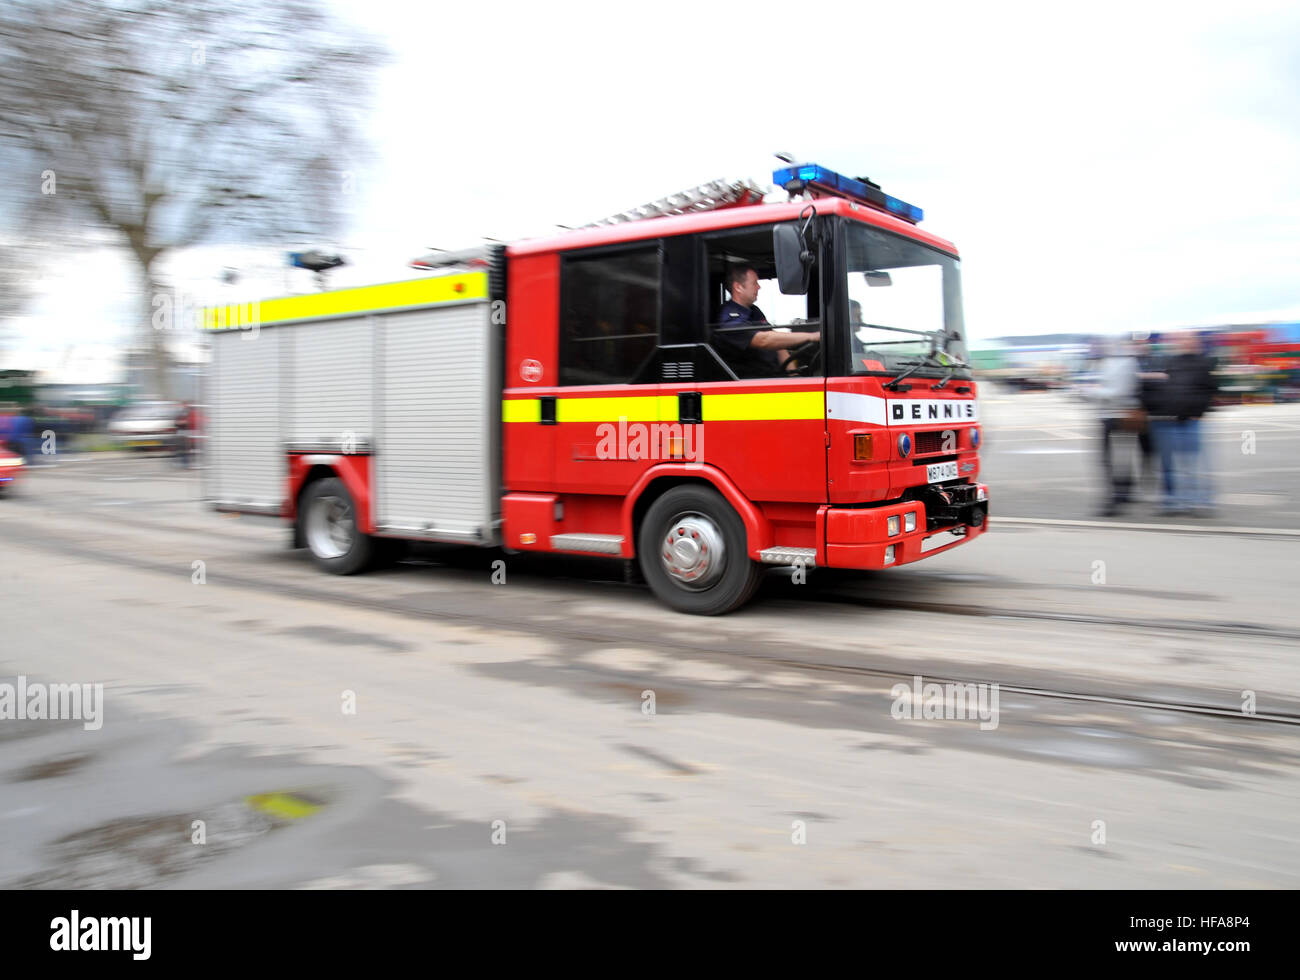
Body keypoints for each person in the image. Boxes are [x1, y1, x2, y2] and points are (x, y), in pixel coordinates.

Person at [1149, 331, 1217, 516]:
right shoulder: (1173, 362)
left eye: (1188, 339)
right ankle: (1179, 502)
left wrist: (1199, 412)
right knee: (1178, 465)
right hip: (1174, 421)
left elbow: (1211, 389)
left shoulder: (1202, 363)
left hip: (1192, 421)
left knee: (1193, 465)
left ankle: (1200, 501)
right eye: (1181, 340)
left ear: (1195, 343)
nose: (1184, 343)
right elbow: (1167, 388)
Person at [713, 265, 820, 377]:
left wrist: (794, 376)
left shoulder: (754, 310)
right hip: (750, 384)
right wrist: (811, 336)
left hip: (772, 377)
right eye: (754, 283)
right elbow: (764, 340)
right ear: (738, 287)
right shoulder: (728, 317)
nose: (759, 287)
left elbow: (777, 344)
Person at [1091, 338, 1142, 516]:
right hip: (1107, 415)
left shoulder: (1126, 363)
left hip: (1120, 416)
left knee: (1116, 459)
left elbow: (1119, 392)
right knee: (1112, 459)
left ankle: (1116, 499)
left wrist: (1092, 392)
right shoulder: (1107, 362)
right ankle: (1121, 494)